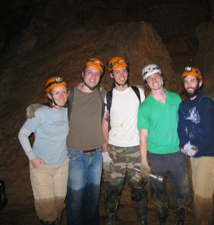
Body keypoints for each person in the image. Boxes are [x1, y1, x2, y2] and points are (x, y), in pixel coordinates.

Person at [26, 58, 106, 225]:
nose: (93, 76)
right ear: (82, 74)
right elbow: (55, 101)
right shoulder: (71, 93)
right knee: (75, 199)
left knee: (93, 199)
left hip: (97, 154)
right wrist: (36, 107)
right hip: (75, 154)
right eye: (89, 72)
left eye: (97, 74)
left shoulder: (102, 94)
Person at [138, 64, 192, 225]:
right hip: (155, 157)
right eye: (150, 78)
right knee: (158, 191)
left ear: (162, 78)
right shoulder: (145, 107)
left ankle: (180, 218)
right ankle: (162, 217)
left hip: (177, 154)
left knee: (183, 189)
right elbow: (143, 137)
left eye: (156, 76)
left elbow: (183, 125)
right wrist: (143, 162)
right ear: (146, 83)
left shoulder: (175, 98)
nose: (154, 80)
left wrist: (187, 144)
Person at [101, 55, 148, 225]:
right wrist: (105, 152)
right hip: (115, 150)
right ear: (111, 75)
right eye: (117, 72)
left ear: (128, 73)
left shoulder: (138, 92)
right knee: (113, 188)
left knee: (138, 187)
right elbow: (104, 126)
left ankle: (142, 220)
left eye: (124, 71)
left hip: (136, 149)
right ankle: (111, 220)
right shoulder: (108, 97)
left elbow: (147, 117)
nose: (121, 75)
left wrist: (145, 154)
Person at [18, 77, 69, 225]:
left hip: (62, 165)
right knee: (46, 209)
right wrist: (32, 157)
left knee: (59, 204)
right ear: (49, 95)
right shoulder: (40, 113)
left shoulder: (67, 111)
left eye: (64, 92)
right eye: (57, 93)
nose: (61, 96)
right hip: (42, 166)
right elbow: (22, 134)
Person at [177, 67, 214, 224]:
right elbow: (181, 128)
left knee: (202, 199)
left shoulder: (206, 102)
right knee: (199, 196)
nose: (189, 84)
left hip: (208, 156)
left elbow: (208, 131)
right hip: (194, 156)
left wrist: (194, 148)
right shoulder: (183, 105)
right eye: (186, 81)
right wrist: (185, 145)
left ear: (200, 83)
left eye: (192, 81)